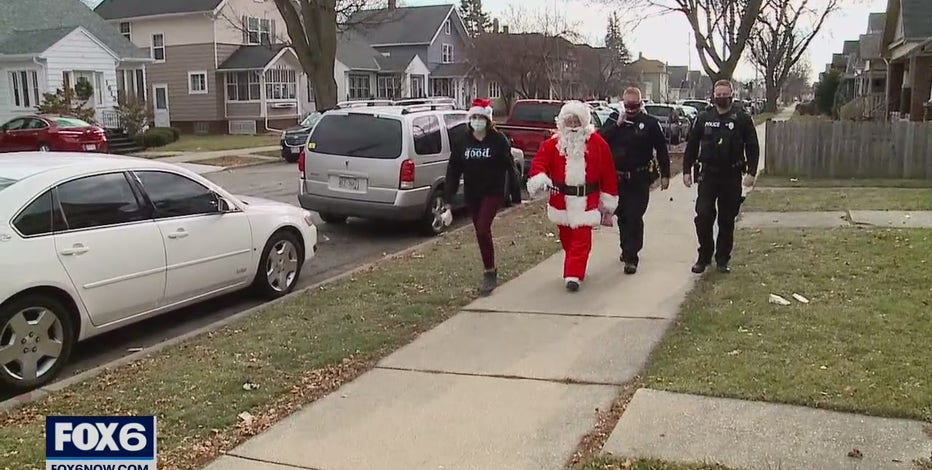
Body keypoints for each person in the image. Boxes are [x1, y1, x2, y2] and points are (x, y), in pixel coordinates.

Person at [526, 101, 619, 292]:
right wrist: (540, 178)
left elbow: (608, 172)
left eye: (577, 122)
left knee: (582, 240)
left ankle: (573, 275)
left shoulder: (597, 143)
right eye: (569, 122)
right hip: (561, 202)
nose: (573, 127)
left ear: (584, 122)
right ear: (562, 123)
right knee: (568, 239)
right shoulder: (553, 144)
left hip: (587, 202)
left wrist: (608, 198)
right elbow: (540, 163)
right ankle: (575, 266)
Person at [683, 79, 760, 274]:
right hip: (708, 175)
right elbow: (692, 145)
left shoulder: (741, 118)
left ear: (731, 95)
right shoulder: (703, 117)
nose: (721, 98)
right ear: (713, 95)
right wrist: (686, 170)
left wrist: (751, 172)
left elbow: (752, 146)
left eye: (725, 95)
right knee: (703, 216)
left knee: (727, 219)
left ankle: (723, 259)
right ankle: (704, 256)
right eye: (718, 95)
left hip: (731, 175)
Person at [444, 98, 520, 295]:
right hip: (472, 193)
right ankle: (490, 266)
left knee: (483, 229)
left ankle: (489, 273)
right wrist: (448, 199)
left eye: (481, 117)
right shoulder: (463, 141)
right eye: (474, 117)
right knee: (480, 232)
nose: (477, 121)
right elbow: (453, 170)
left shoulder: (498, 140)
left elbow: (509, 167)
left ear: (488, 120)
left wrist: (516, 194)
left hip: (493, 192)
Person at [598, 87, 671, 274]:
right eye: (628, 105)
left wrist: (665, 174)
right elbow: (598, 140)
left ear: (641, 103)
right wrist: (617, 125)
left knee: (634, 216)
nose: (631, 109)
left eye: (635, 105)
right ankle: (626, 249)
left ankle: (632, 257)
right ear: (623, 104)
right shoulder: (615, 120)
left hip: (639, 178)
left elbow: (662, 149)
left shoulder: (650, 123)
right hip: (617, 178)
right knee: (622, 216)